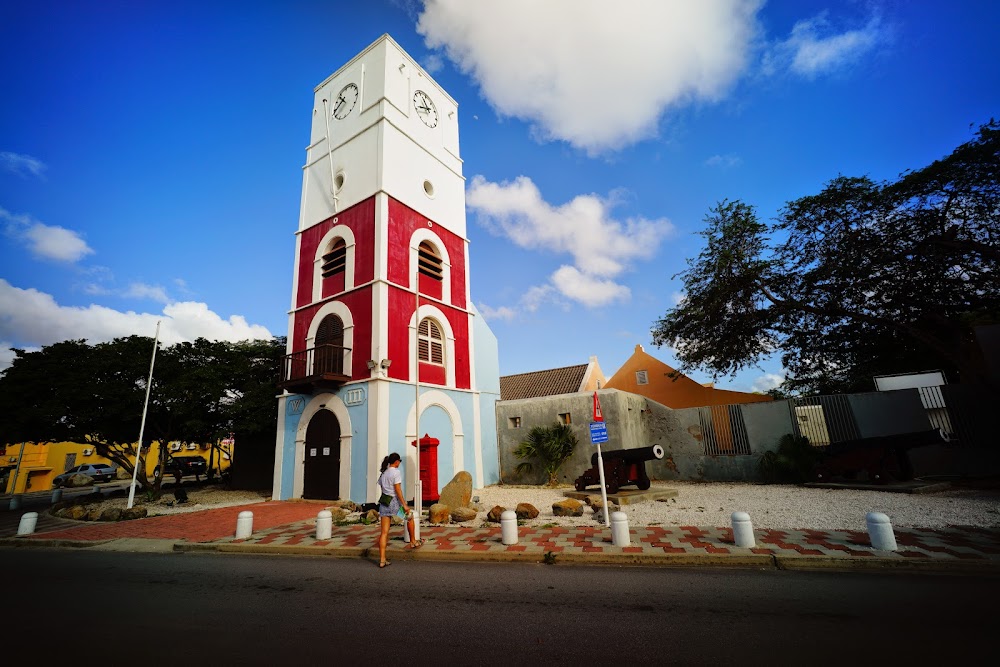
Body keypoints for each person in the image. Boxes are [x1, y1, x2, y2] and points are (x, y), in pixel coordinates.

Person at [377, 452, 422, 567]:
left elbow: (382, 488)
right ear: (396, 462)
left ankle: (382, 560)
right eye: (399, 461)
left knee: (384, 533)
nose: (399, 463)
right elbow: (398, 490)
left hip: (383, 503)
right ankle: (413, 542)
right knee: (410, 517)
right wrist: (405, 505)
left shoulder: (383, 473)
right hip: (393, 503)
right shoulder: (396, 472)